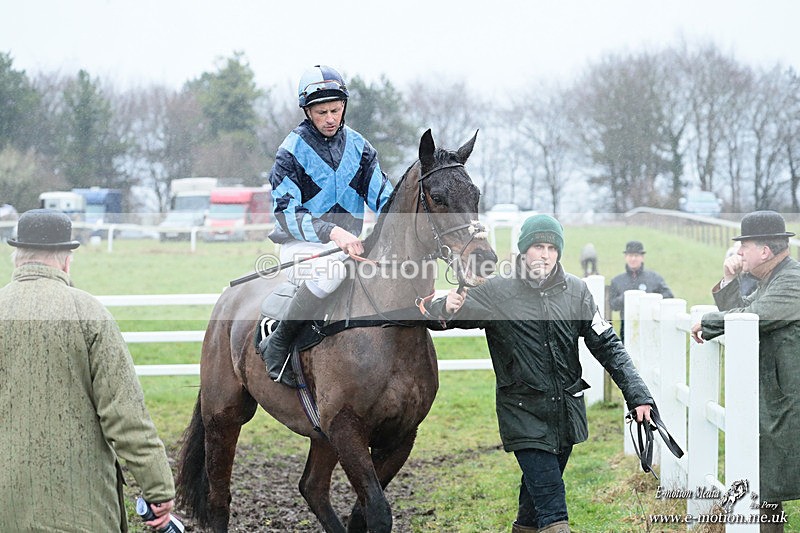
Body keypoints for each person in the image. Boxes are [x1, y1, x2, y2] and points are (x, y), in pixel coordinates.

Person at [427, 214, 654, 533]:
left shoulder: (577, 292)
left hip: (566, 414)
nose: (544, 255)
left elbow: (608, 345)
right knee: (552, 507)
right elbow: (446, 314)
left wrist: (638, 395)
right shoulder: (496, 292)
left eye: (551, 248)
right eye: (537, 247)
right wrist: (445, 308)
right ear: (524, 250)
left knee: (534, 505)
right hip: (523, 413)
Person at [0, 209, 177, 532]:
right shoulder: (88, 312)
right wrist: (158, 488)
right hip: (80, 507)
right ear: (66, 260)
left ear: (17, 258)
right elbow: (125, 414)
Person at [260, 64, 394, 387]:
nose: (330, 118)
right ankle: (278, 342)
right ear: (308, 112)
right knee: (333, 271)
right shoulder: (290, 152)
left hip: (349, 247)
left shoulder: (360, 149)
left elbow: (384, 198)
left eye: (336, 110)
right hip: (300, 247)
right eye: (322, 112)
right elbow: (286, 214)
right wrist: (332, 232)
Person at [691, 210, 799, 532]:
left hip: (789, 399)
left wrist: (708, 322)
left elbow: (753, 317)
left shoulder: (792, 281)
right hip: (782, 397)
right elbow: (741, 314)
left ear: (764, 251)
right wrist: (729, 280)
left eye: (745, 246)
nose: (739, 252)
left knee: (767, 478)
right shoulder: (773, 279)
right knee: (764, 478)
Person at [609, 240, 674, 342]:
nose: (633, 259)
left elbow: (669, 295)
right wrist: (624, 299)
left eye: (636, 255)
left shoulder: (654, 278)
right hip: (626, 329)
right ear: (625, 257)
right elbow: (612, 305)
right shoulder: (617, 281)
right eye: (630, 255)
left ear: (642, 257)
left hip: (651, 327)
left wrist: (650, 299)